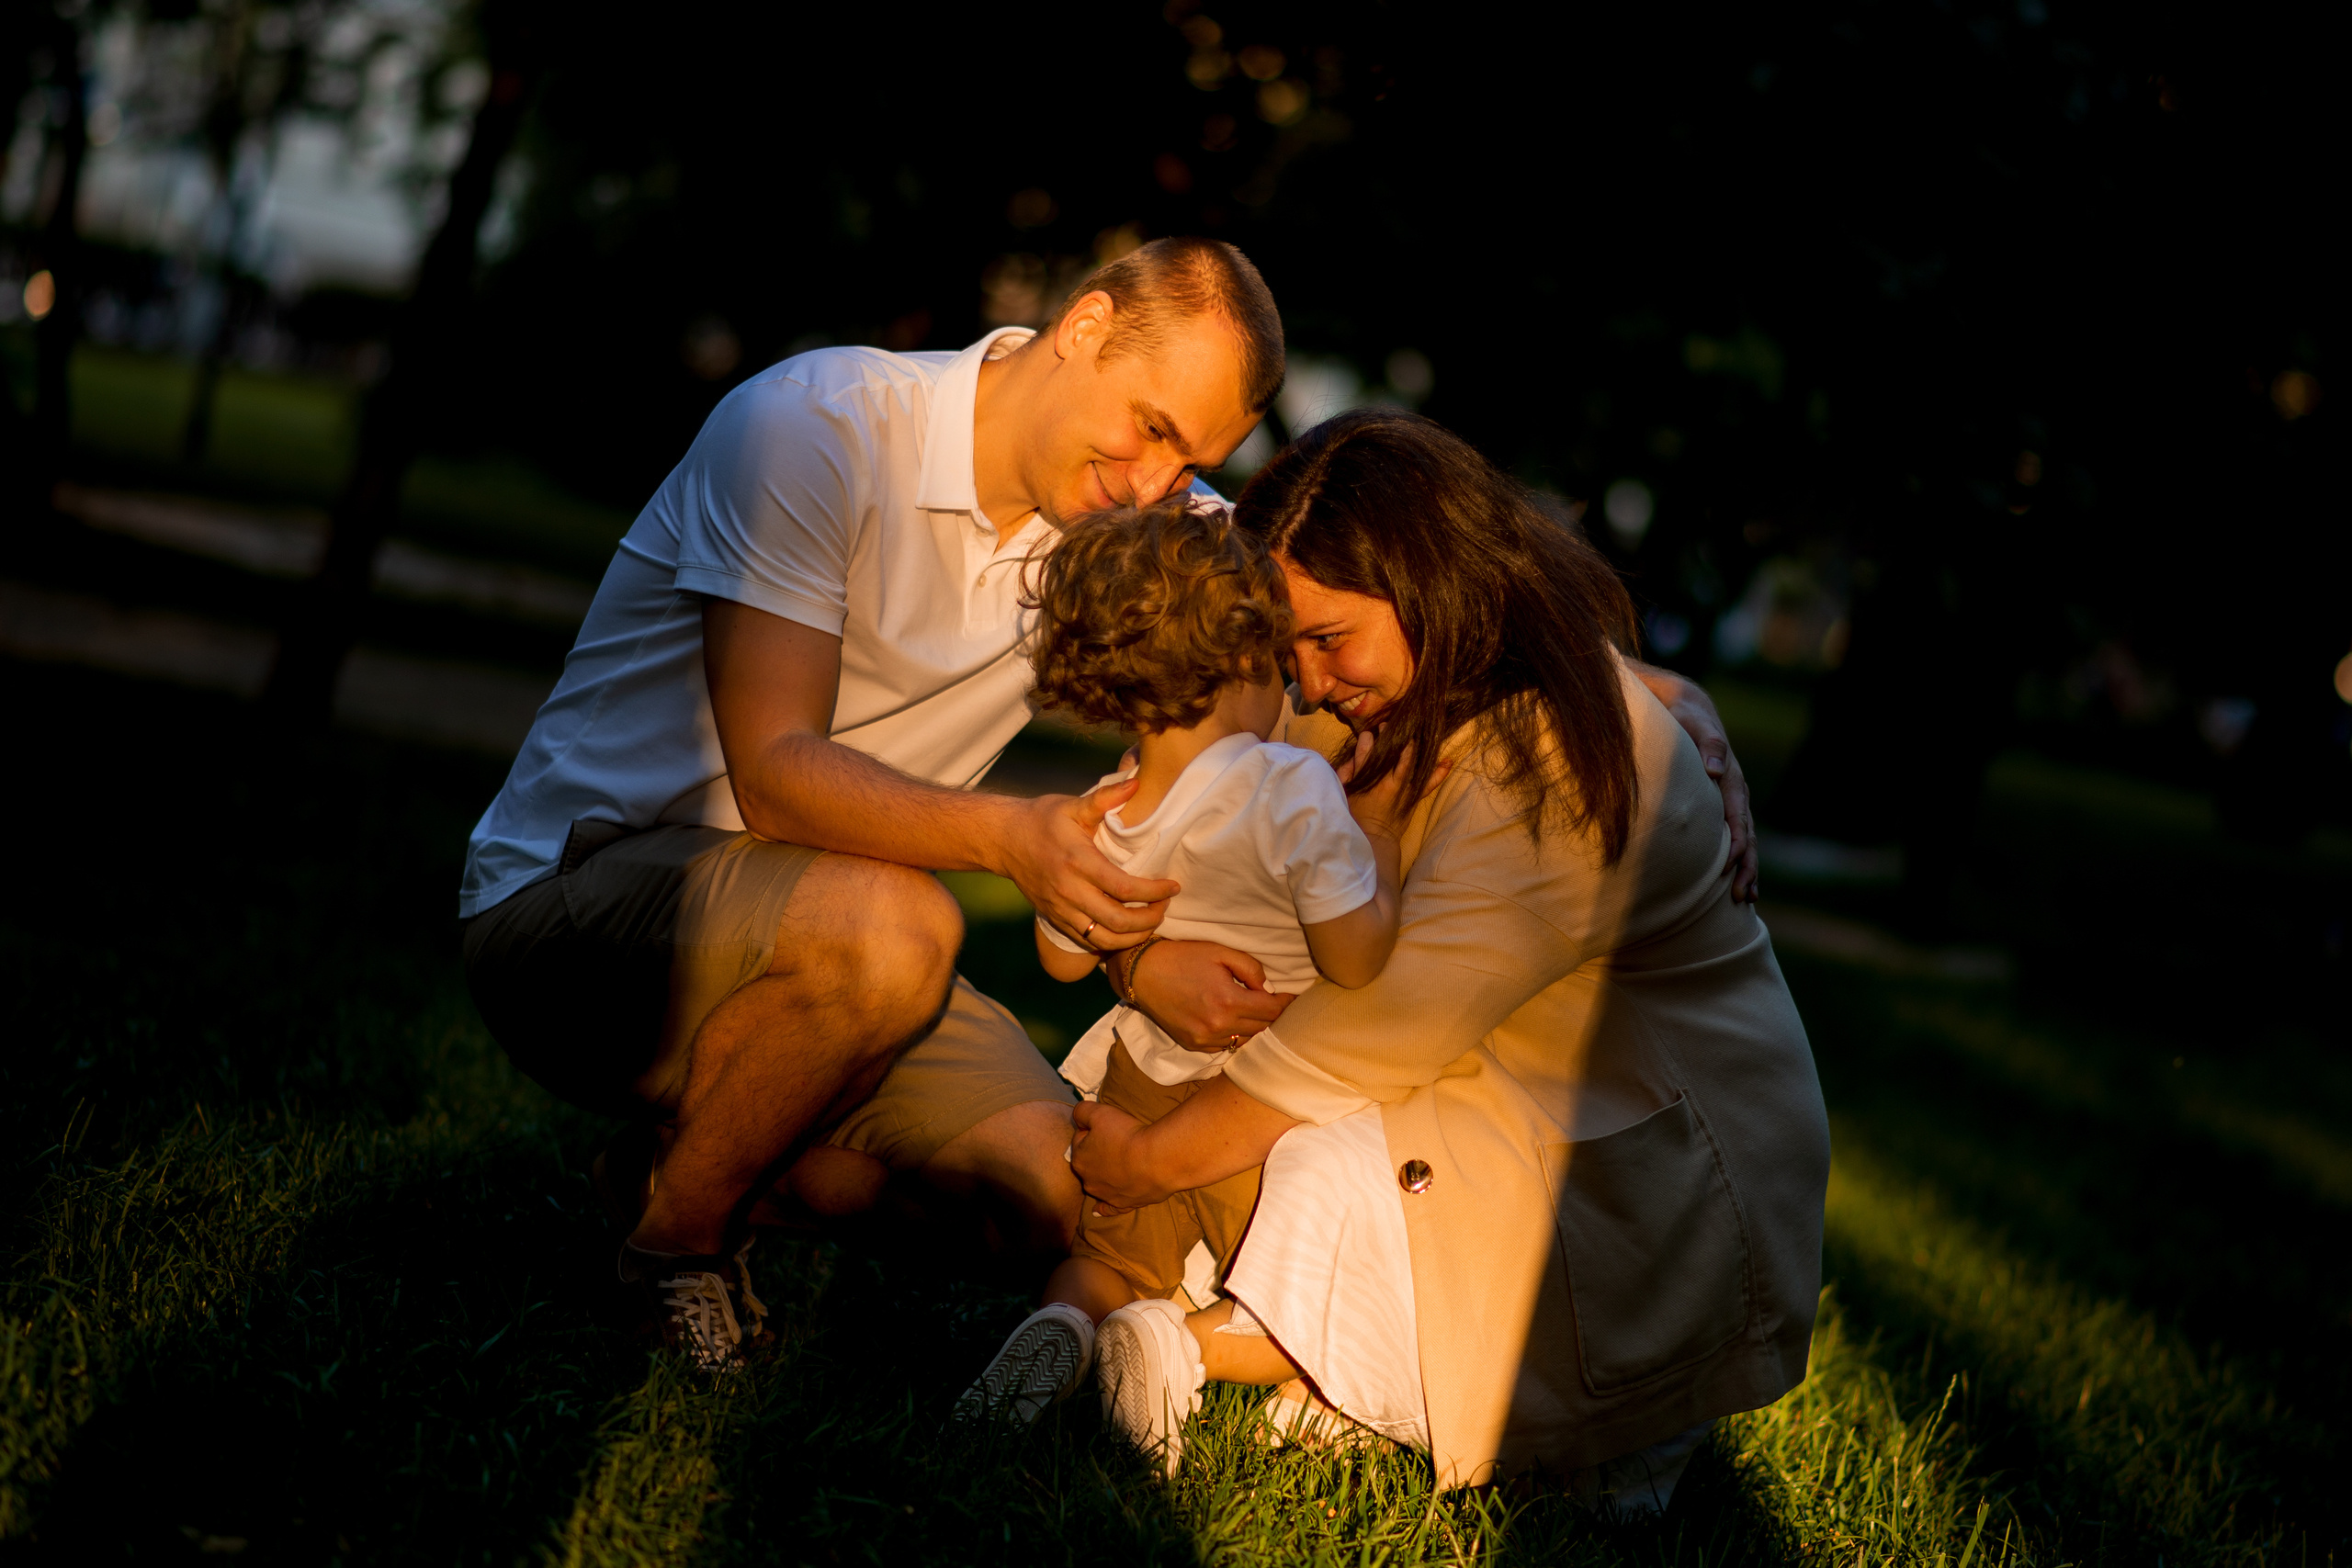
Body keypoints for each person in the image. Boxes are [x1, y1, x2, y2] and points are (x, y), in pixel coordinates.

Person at [457, 238, 1286, 1367]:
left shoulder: (1135, 525)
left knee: (1070, 1201)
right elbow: (776, 772)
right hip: (580, 908)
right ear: (1085, 328)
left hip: (837, 950)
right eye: (1150, 427)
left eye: (1188, 460)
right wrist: (1011, 839)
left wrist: (1151, 946)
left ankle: (684, 1167)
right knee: (903, 927)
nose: (1152, 485)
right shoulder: (816, 425)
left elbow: (1272, 697)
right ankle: (674, 1252)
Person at [1070, 408, 1831, 1503]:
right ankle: (1304, 1373)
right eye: (1287, 647)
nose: (1308, 683)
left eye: (1327, 641)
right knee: (1226, 1118)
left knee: (1310, 1161)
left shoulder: (1561, 765)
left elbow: (1371, 1036)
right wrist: (1140, 969)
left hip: (1644, 1187)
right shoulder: (1387, 693)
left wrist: (1144, 1163)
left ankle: (1183, 1348)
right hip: (1486, 1108)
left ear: (1429, 582)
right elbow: (1187, 832)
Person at [952, 496, 1406, 1424]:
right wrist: (1386, 851)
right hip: (1257, 1108)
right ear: (1243, 662)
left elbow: (1060, 954)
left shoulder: (1110, 803)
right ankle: (1186, 1351)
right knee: (1290, 1288)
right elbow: (1357, 959)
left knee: (1113, 1256)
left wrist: (1136, 942)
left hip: (1139, 1084)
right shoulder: (1292, 787)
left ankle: (1070, 1318)